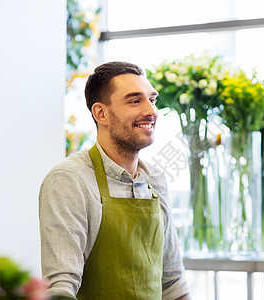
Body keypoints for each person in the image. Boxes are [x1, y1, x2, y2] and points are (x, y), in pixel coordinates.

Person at [39, 61, 191, 300]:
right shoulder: (70, 179)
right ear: (101, 113)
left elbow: (172, 283)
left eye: (152, 99)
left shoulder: (156, 180)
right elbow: (61, 287)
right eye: (134, 100)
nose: (151, 111)